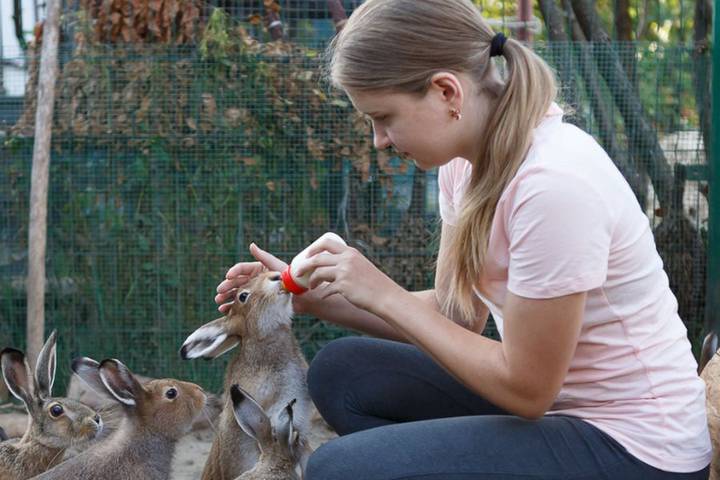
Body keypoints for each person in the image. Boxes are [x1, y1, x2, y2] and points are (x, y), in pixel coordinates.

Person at [214, 0, 712, 478]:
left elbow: (528, 390)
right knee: (344, 373)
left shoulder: (552, 185)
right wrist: (311, 299)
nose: (379, 141)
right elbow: (457, 318)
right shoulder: (464, 165)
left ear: (447, 92)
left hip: (636, 448)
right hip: (560, 409)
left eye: (383, 118)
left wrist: (382, 292)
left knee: (337, 469)